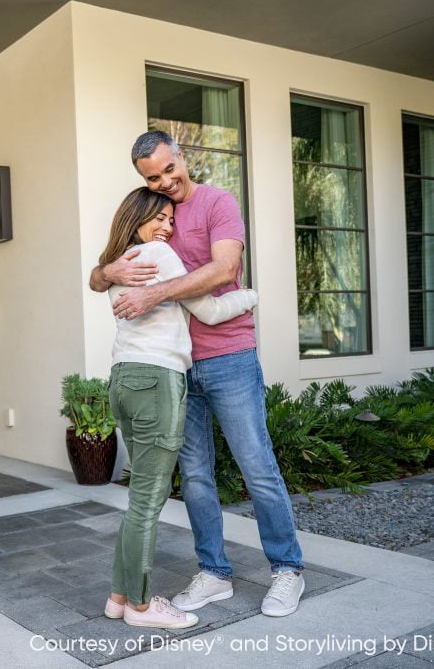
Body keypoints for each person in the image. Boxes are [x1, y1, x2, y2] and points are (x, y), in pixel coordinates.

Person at [90, 130, 306, 618]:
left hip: (229, 356)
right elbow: (100, 273)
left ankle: (287, 569)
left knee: (258, 467)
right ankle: (214, 573)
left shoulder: (217, 202)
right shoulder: (149, 216)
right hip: (175, 369)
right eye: (153, 177)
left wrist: (153, 293)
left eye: (170, 169)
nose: (166, 182)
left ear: (181, 157)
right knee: (196, 477)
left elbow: (225, 269)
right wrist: (109, 274)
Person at [98, 187, 258, 629]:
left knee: (138, 498)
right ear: (137, 217)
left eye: (171, 220)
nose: (167, 227)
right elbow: (207, 310)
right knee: (148, 501)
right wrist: (250, 296)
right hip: (157, 381)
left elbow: (98, 280)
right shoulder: (159, 257)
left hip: (125, 378)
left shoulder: (118, 264)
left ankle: (119, 595)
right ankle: (143, 607)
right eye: (159, 218)